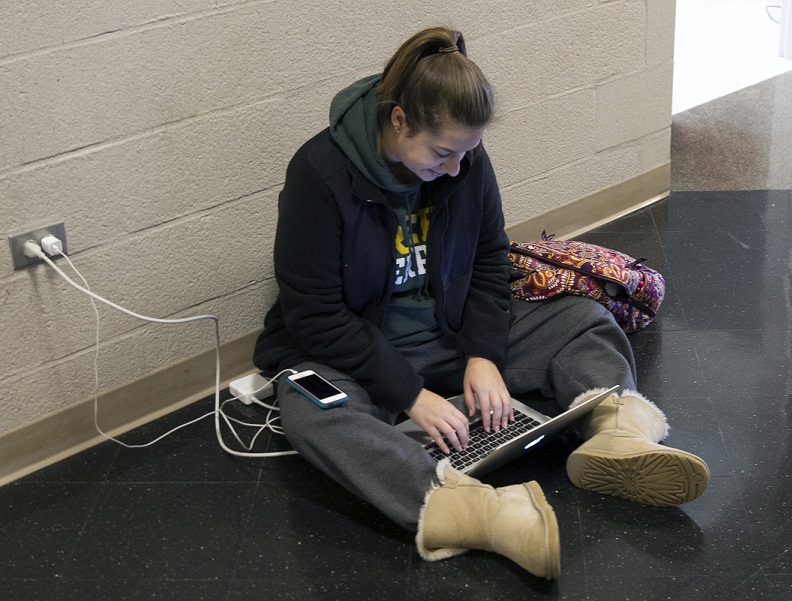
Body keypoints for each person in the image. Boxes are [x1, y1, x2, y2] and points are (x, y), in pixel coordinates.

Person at [253, 26, 709, 580]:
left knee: (581, 317)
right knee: (308, 403)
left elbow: (491, 259)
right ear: (399, 120)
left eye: (465, 153)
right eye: (442, 152)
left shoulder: (464, 159)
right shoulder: (317, 176)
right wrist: (410, 394)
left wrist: (484, 355)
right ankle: (474, 512)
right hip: (358, 354)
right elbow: (315, 316)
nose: (454, 169)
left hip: (447, 337)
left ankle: (616, 429)